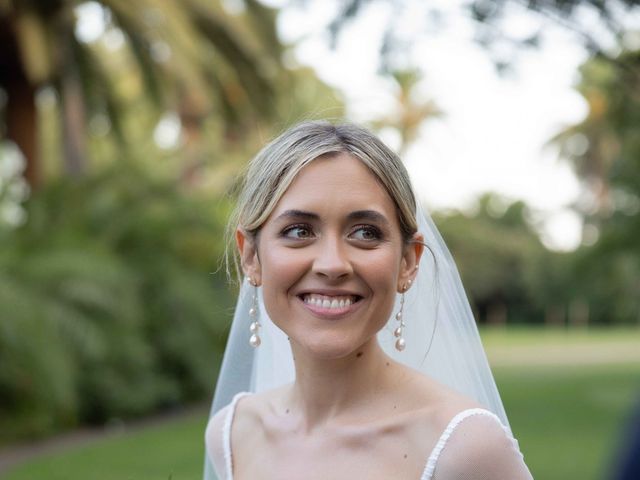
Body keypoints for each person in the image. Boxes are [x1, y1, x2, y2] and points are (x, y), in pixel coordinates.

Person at [203, 121, 533, 479]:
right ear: (251, 257)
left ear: (409, 262)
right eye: (299, 231)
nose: (332, 264)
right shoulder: (232, 434)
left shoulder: (464, 448)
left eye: (365, 233)